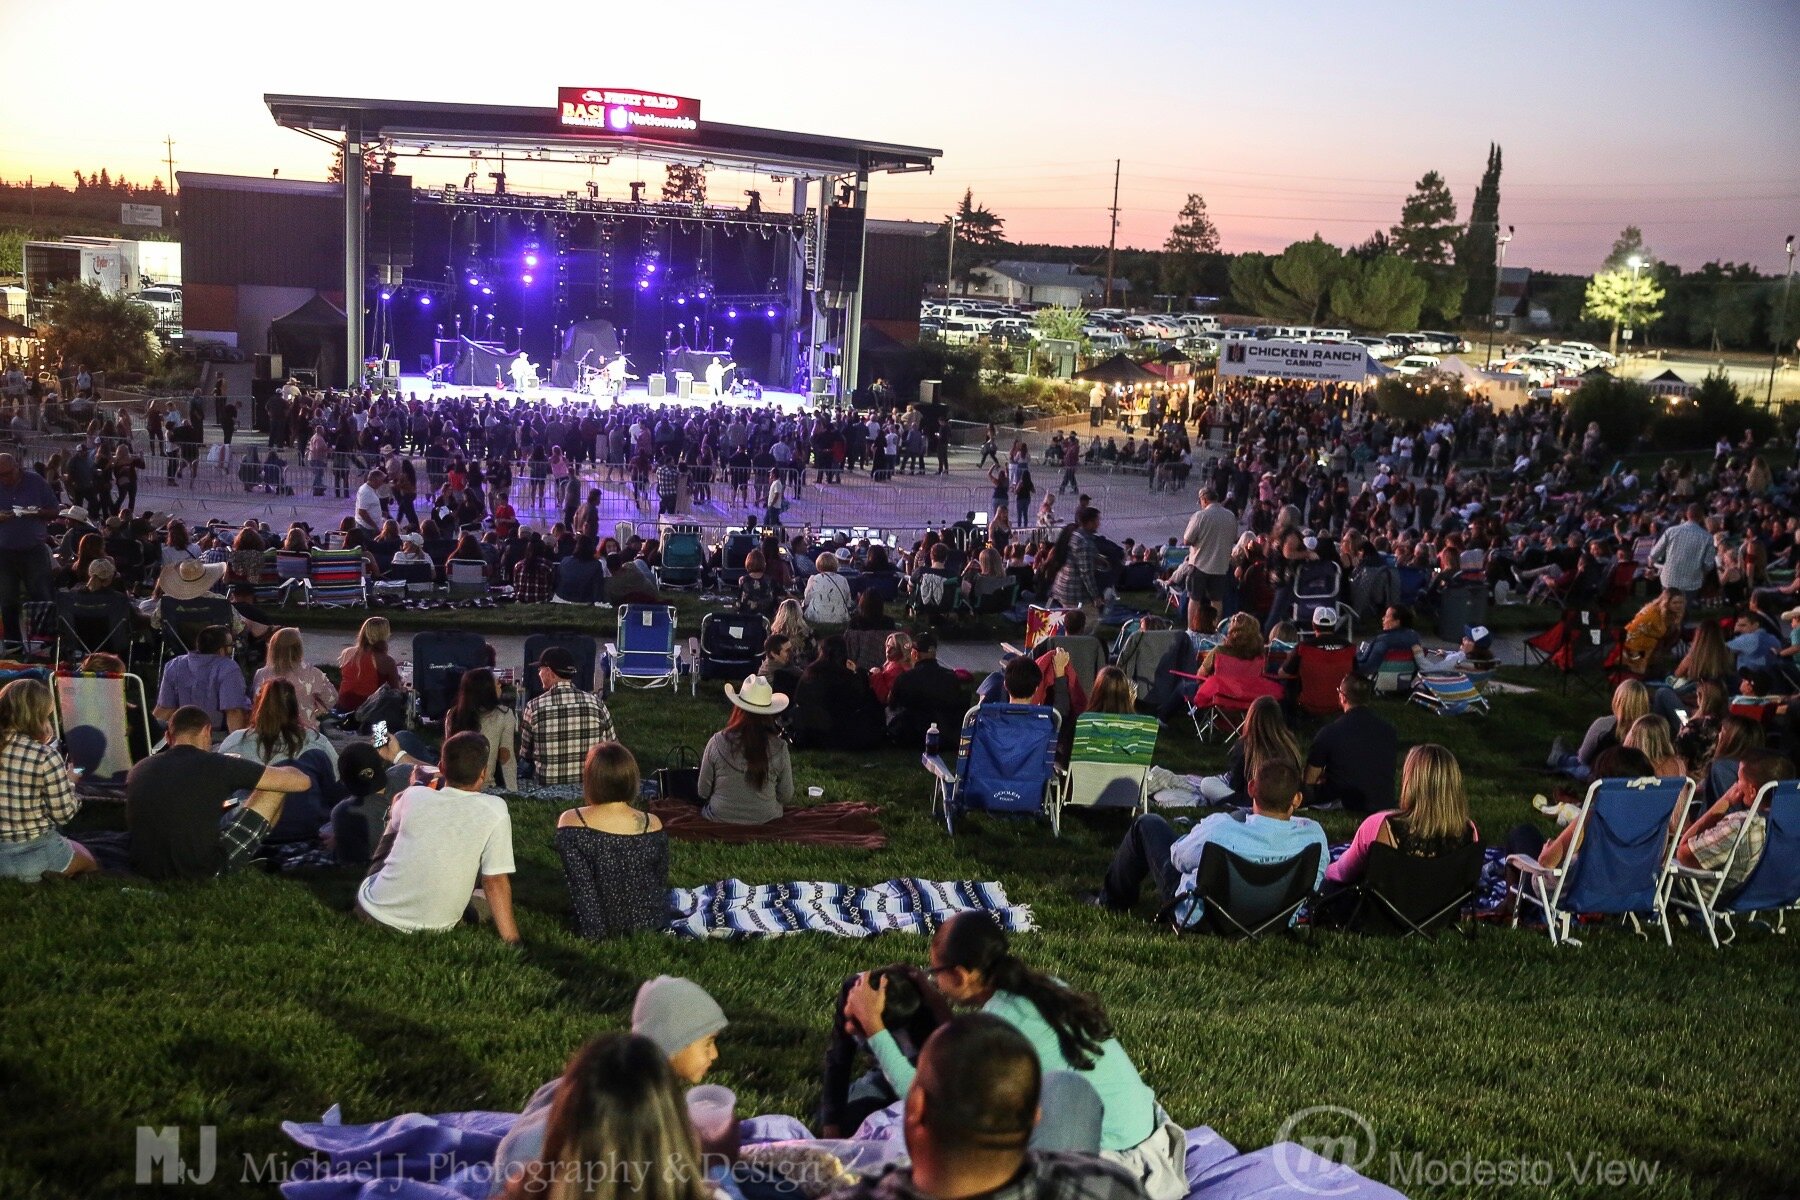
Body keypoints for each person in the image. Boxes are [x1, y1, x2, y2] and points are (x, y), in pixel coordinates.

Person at [844, 913, 1182, 1199]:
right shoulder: (1039, 989)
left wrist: (874, 1028)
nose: (933, 978)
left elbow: (928, 1098)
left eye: (936, 973)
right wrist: (935, 1000)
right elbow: (966, 1045)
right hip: (1149, 1142)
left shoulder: (1000, 1024)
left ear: (961, 975)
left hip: (1114, 1162)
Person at [1094, 757, 1328, 929]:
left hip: (1203, 918)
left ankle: (1110, 901)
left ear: (1251, 788)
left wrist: (1193, 835)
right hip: (1275, 919)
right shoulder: (1313, 837)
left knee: (1147, 824)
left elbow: (1178, 859)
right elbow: (1314, 882)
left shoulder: (1221, 829)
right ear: (1297, 798)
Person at [356, 731, 520, 944]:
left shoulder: (412, 796)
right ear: (483, 773)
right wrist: (513, 940)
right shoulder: (495, 809)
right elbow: (495, 881)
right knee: (484, 899)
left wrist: (416, 787)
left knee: (397, 814)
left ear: (442, 769)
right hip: (434, 925)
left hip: (373, 911)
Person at [126, 705, 312, 879]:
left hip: (144, 866)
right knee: (275, 788)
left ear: (168, 736)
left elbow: (189, 806)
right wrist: (286, 768)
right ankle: (245, 857)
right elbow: (301, 783)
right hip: (202, 869)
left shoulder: (140, 768)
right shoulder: (219, 764)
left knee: (227, 805)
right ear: (207, 731)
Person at [554, 742, 669, 940]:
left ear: (592, 780)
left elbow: (583, 889)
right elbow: (658, 881)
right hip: (651, 922)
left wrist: (594, 934)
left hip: (602, 922)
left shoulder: (571, 822)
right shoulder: (653, 823)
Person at [820, 964, 950, 1137]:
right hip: (882, 1075)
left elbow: (921, 1090)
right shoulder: (854, 992)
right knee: (844, 1119)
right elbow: (838, 1059)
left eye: (860, 1025)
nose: (849, 1029)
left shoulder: (925, 1017)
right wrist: (831, 1122)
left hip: (924, 1081)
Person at [1324, 744, 1479, 888]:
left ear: (1411, 783)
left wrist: (1321, 870)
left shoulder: (1380, 825)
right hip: (1440, 914)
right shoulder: (1468, 831)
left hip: (1387, 913)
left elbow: (1343, 873)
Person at [218, 678, 340, 842]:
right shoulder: (316, 741)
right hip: (308, 825)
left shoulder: (235, 742)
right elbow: (336, 784)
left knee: (226, 802)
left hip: (250, 828)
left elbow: (220, 791)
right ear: (294, 707)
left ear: (258, 706)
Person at [0, 678, 97, 881]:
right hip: (35, 852)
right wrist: (69, 781)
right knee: (90, 860)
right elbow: (64, 814)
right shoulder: (44, 756)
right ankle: (56, 876)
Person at [1675, 748, 1788, 895]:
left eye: (1739, 779)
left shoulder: (1741, 825)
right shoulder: (1790, 822)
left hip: (1713, 895)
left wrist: (1724, 802)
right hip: (1767, 894)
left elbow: (1683, 855)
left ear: (1752, 791)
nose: (1735, 784)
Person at [698, 675, 794, 825]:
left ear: (738, 708)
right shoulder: (780, 748)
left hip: (720, 816)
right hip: (766, 818)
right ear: (769, 714)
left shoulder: (716, 742)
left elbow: (702, 791)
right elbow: (786, 796)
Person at [521, 646, 615, 792]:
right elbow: (613, 748)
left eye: (540, 669)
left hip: (548, 788)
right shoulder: (596, 703)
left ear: (549, 672)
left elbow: (525, 753)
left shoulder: (533, 707)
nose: (539, 674)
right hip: (590, 786)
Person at [1305, 674, 1398, 812]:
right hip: (1383, 799)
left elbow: (1309, 780)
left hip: (1344, 800)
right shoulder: (1389, 731)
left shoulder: (1330, 732)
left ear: (1342, 697)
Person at [0, 453, 59, 647]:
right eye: (1, 475)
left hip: (33, 549)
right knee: (7, 598)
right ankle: (12, 643)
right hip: (4, 551)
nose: (5, 479)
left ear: (18, 467)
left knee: (41, 595)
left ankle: (45, 643)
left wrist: (37, 512)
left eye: (8, 474)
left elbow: (55, 511)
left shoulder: (36, 482)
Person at [791, 634, 885, 751]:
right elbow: (857, 699)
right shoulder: (842, 676)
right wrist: (857, 673)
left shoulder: (811, 671)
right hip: (834, 730)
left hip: (810, 728)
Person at [154, 624, 251, 731]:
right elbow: (233, 711)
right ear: (222, 650)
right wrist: (237, 744)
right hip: (216, 736)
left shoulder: (173, 665)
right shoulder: (228, 668)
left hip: (183, 735)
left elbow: (165, 708)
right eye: (231, 646)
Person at [887, 631, 967, 749]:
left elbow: (891, 704)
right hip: (945, 736)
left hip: (911, 737)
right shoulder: (951, 677)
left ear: (914, 653)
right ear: (934, 653)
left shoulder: (905, 678)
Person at [448, 667, 518, 792]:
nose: (500, 685)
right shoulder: (504, 715)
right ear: (487, 690)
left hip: (454, 786)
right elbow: (506, 756)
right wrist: (513, 790)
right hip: (485, 786)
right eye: (497, 683)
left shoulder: (454, 714)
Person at [253, 626, 337, 729]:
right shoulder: (313, 673)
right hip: (303, 729)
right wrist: (315, 711)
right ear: (299, 648)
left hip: (269, 729)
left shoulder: (261, 674)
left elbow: (256, 702)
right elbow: (332, 699)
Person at [1181, 488, 1238, 629]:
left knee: (1195, 598)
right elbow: (1234, 538)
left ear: (1204, 499)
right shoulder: (1230, 516)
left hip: (1200, 564)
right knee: (1217, 600)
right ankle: (1215, 628)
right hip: (1221, 565)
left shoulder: (1200, 516)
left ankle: (1191, 628)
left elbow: (1187, 540)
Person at [337, 616, 403, 713]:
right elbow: (395, 691)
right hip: (367, 708)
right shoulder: (386, 660)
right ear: (385, 634)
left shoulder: (347, 652)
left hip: (343, 704)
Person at [1649, 503, 1715, 601]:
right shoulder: (1708, 538)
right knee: (1684, 611)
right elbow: (1708, 565)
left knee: (1667, 609)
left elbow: (1653, 555)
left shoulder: (1671, 531)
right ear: (1702, 517)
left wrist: (1651, 568)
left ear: (1687, 515)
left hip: (1669, 579)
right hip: (1691, 582)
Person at [1619, 587, 1688, 677]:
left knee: (1674, 633)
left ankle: (1653, 667)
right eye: (1675, 603)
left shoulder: (1670, 612)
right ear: (1666, 602)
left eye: (1681, 603)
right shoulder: (1654, 613)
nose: (1678, 606)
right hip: (1636, 644)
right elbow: (1661, 633)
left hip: (1650, 641)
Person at [1353, 604, 1427, 678]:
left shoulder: (1383, 641)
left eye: (1386, 616)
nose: (1383, 618)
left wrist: (1353, 661)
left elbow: (1369, 667)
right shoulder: (1414, 637)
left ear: (1396, 622)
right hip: (1404, 683)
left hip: (1381, 682)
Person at [803, 552, 855, 627]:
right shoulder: (843, 579)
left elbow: (807, 599)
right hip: (840, 618)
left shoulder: (813, 579)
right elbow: (848, 601)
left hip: (816, 618)